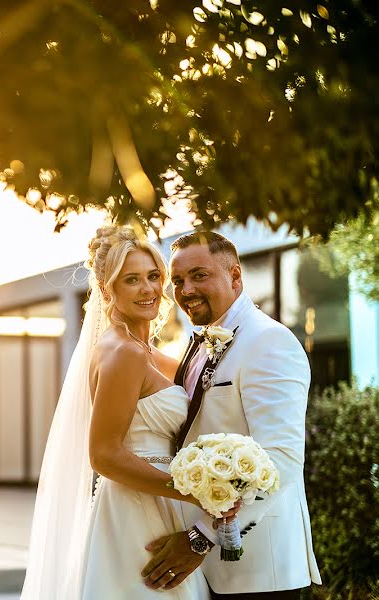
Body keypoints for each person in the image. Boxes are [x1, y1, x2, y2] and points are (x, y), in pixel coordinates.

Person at [21, 225, 232, 599]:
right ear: (107, 290)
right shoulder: (124, 353)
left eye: (153, 276)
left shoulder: (146, 353)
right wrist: (194, 493)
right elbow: (104, 454)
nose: (148, 289)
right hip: (137, 508)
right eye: (131, 279)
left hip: (159, 500)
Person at [141, 231, 322, 599]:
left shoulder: (268, 341)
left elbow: (280, 461)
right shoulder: (201, 344)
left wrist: (200, 538)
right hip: (208, 572)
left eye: (199, 275)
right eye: (177, 280)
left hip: (259, 569)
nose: (186, 289)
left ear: (235, 276)